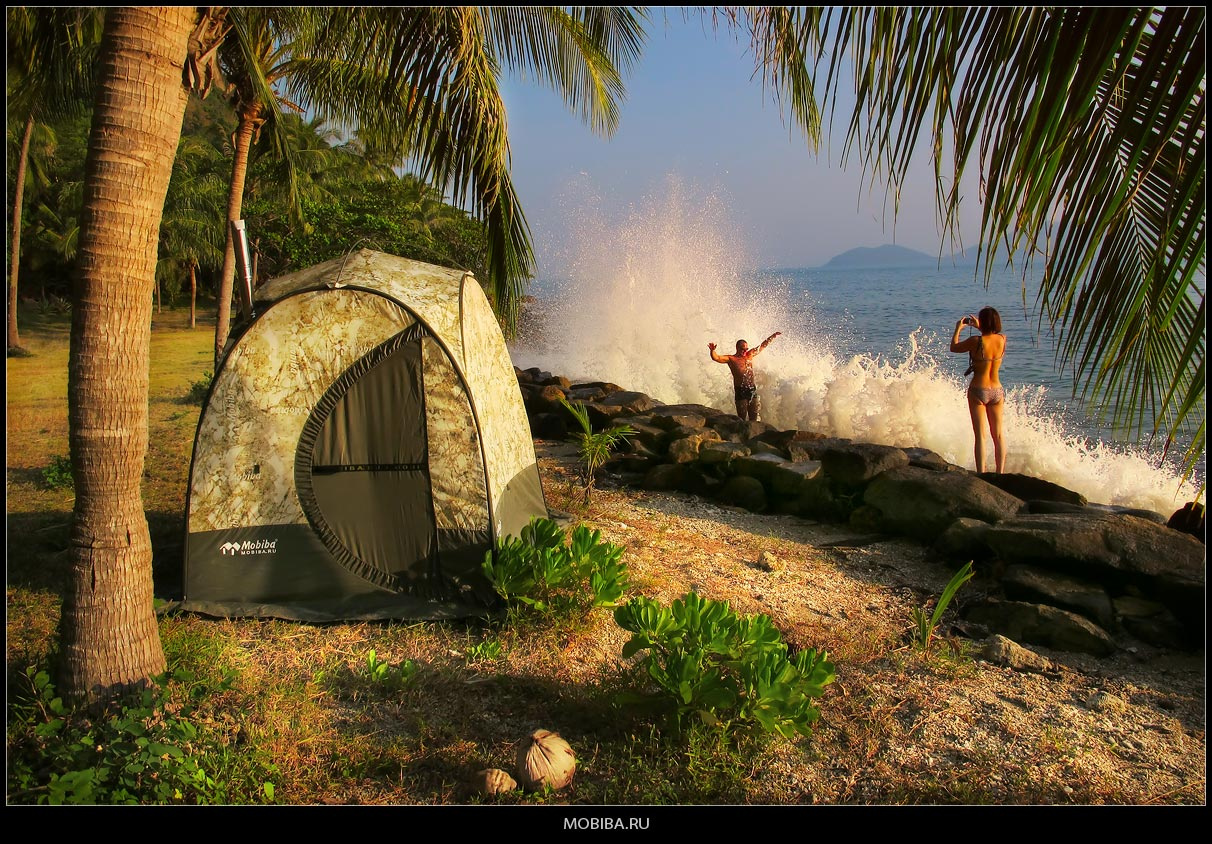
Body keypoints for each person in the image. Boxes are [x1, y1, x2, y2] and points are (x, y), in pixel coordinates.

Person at [950, 306, 1007, 473]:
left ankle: (982, 474)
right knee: (998, 435)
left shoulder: (975, 341)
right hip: (997, 390)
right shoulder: (1003, 339)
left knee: (980, 436)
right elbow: (990, 335)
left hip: (978, 390)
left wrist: (958, 328)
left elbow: (954, 347)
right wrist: (980, 326)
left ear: (982, 322)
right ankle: (1000, 473)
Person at [708, 332, 781, 421]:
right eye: (743, 349)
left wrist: (772, 336)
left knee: (753, 418)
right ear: (737, 348)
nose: (745, 351)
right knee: (741, 418)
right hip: (740, 390)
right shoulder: (731, 359)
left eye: (746, 349)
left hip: (751, 389)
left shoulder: (749, 355)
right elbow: (717, 358)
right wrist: (712, 351)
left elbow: (762, 346)